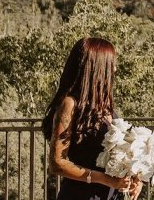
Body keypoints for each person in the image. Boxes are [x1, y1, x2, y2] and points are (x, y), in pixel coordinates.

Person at [42, 37, 141, 200]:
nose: (115, 69)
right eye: (111, 64)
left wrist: (134, 178)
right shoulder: (70, 105)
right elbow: (57, 163)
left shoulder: (105, 105)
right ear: (97, 68)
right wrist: (104, 179)